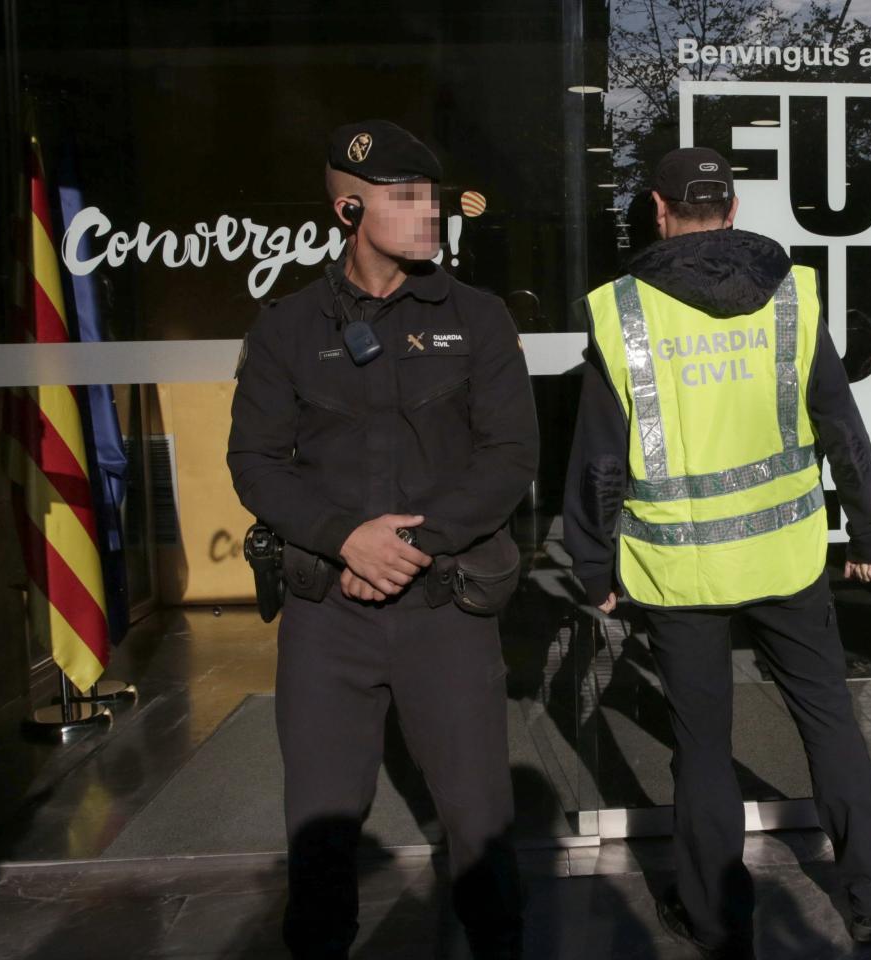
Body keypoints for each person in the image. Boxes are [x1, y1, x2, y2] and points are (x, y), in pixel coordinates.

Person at [562, 146, 871, 957]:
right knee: (829, 721)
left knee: (702, 747)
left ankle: (717, 919)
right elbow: (841, 429)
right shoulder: (791, 298)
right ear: (733, 208)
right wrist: (866, 530)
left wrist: (592, 564)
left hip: (678, 570)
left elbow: (599, 459)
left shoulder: (624, 313)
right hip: (786, 557)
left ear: (658, 209)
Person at [227, 119, 537, 959]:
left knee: (478, 818)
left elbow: (511, 456)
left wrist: (412, 546)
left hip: (447, 604)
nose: (430, 212)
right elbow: (255, 462)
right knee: (323, 825)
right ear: (349, 212)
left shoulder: (479, 319)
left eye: (431, 196)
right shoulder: (287, 328)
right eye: (407, 199)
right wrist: (345, 541)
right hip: (328, 615)